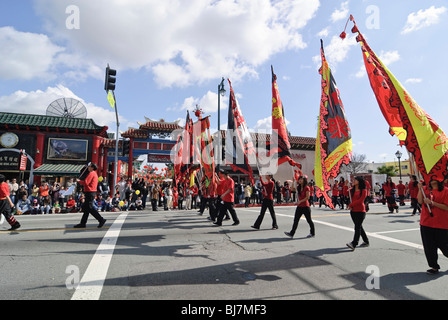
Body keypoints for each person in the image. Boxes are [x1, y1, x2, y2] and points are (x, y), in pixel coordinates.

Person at [418, 179, 448, 275]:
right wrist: (419, 189)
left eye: (434, 178)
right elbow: (419, 201)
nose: (431, 180)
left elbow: (447, 207)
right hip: (426, 223)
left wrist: (432, 203)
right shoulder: (424, 189)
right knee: (429, 247)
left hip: (442, 224)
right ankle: (434, 266)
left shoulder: (446, 191)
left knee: (445, 246)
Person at [74, 163, 107, 228]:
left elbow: (86, 182)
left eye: (89, 167)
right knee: (86, 209)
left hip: (90, 192)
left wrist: (79, 181)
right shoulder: (94, 173)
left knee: (90, 208)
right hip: (91, 192)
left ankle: (101, 219)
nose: (88, 167)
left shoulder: (91, 173)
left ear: (92, 168)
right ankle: (83, 223)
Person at [346, 176, 370, 251]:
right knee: (359, 227)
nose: (353, 181)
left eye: (355, 180)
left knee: (357, 227)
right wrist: (345, 185)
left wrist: (350, 205)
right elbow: (346, 193)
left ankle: (354, 243)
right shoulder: (352, 189)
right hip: (353, 211)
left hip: (360, 211)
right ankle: (366, 241)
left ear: (359, 181)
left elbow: (361, 201)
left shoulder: (364, 190)